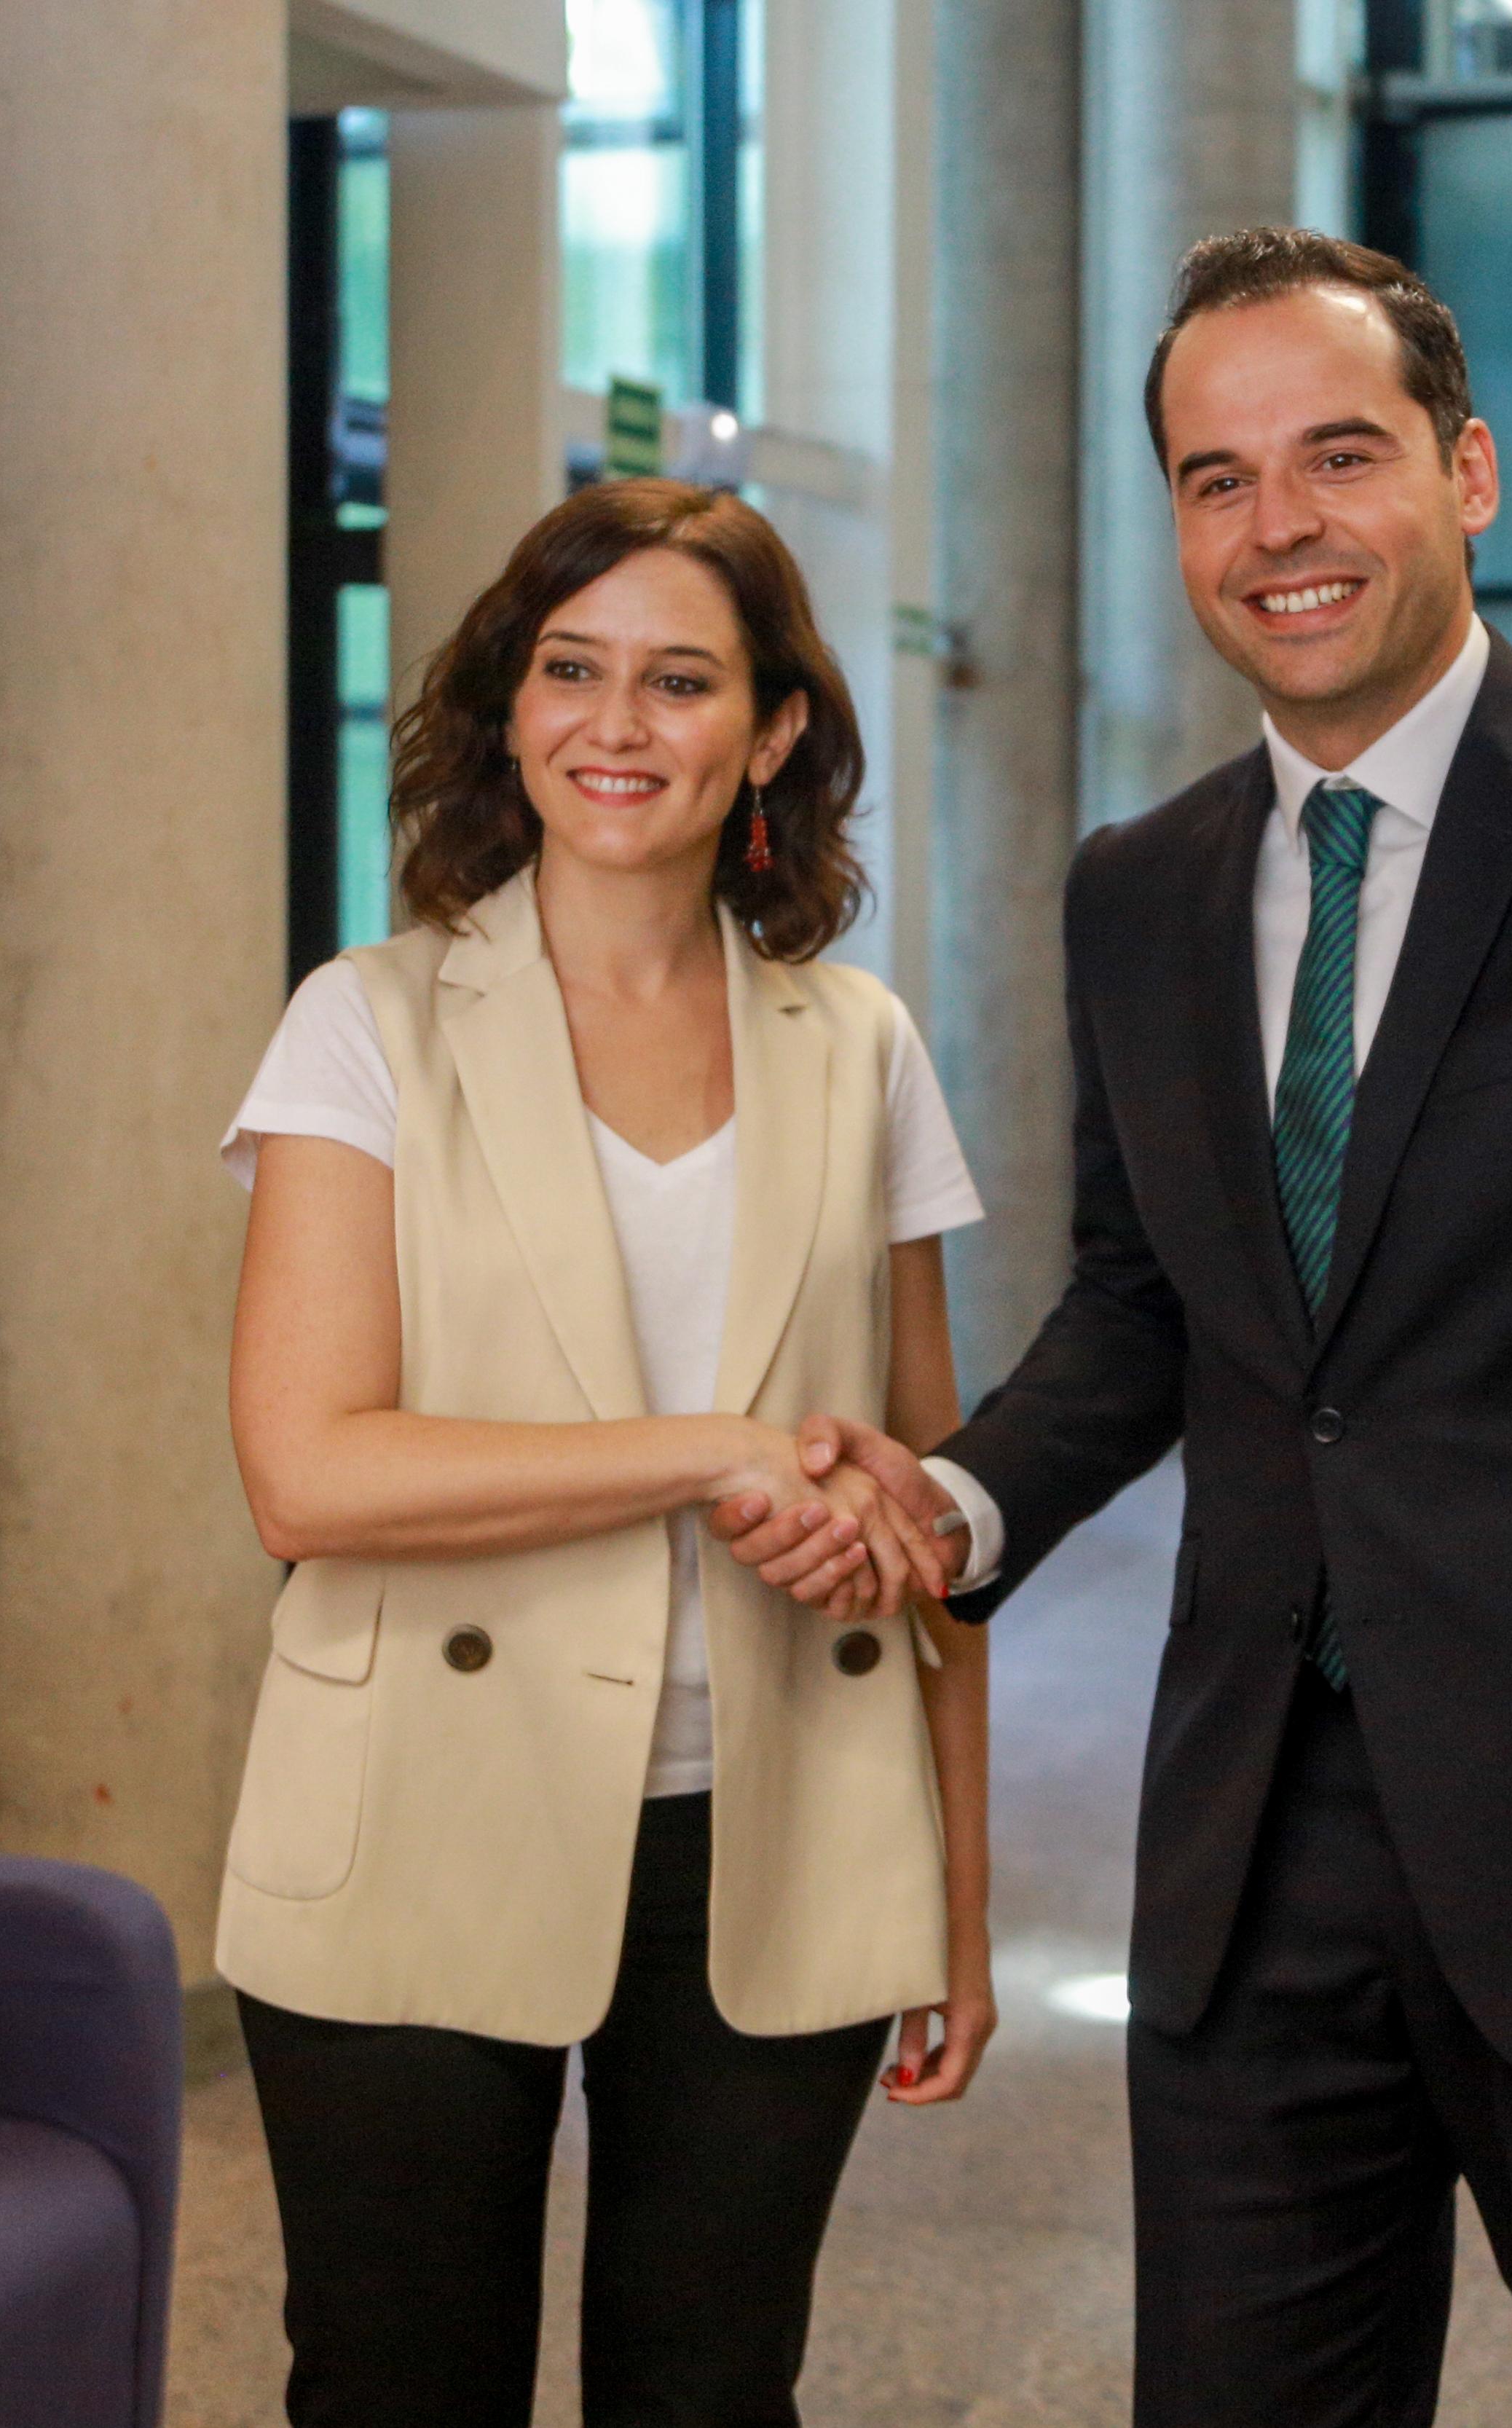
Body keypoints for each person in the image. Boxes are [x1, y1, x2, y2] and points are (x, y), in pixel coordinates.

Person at [719, 231, 1512, 2425]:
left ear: (1468, 470)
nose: (1278, 526)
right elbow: (1152, 1311)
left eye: (1338, 455)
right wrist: (949, 1500)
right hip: (1252, 1849)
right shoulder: (1144, 882)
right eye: (1217, 479)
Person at [216, 477, 994, 2428]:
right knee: (402, 2392)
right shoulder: (368, 1026)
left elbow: (932, 1501)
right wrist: (708, 1449)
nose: (615, 725)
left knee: (717, 2397)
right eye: (571, 671)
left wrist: (958, 1903)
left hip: (779, 1816)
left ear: (774, 730)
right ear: (509, 702)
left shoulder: (861, 1044)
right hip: (416, 1803)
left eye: (677, 680)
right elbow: (309, 1473)